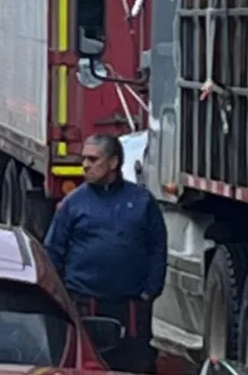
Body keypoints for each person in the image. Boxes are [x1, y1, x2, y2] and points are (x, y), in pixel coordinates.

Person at [43, 133, 167, 373]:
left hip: (130, 309)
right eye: (84, 159)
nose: (85, 165)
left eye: (93, 159)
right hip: (85, 306)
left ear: (113, 163)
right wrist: (61, 298)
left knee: (133, 367)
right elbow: (53, 252)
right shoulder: (73, 203)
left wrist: (150, 291)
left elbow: (157, 249)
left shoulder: (142, 201)